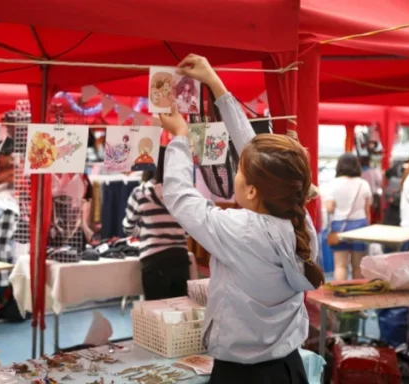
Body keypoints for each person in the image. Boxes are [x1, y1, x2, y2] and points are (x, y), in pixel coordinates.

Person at [159, 54, 321, 383]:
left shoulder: (240, 231)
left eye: (240, 170)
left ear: (251, 191)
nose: (235, 171)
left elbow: (179, 196)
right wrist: (215, 84)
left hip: (242, 376)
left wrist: (178, 137)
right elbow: (255, 150)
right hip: (289, 369)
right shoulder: (298, 219)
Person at [122, 146, 190, 300]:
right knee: (179, 315)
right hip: (180, 258)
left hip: (153, 260)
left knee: (156, 318)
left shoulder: (140, 193)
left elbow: (128, 227)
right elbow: (188, 231)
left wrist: (144, 232)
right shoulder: (183, 193)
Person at [326, 154, 372, 281]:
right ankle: (357, 296)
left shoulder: (333, 184)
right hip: (360, 226)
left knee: (340, 266)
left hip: (339, 226)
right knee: (358, 266)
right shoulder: (363, 184)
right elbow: (367, 209)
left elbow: (329, 208)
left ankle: (340, 294)